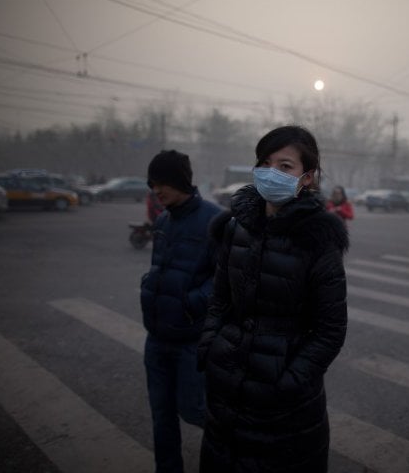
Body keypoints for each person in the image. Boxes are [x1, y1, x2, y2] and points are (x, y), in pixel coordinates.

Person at [197, 125, 348, 473]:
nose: (270, 173)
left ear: (306, 178)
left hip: (286, 411)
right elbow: (219, 299)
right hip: (226, 395)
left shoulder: (319, 240)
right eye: (265, 163)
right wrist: (210, 346)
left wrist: (288, 384)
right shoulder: (236, 227)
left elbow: (330, 331)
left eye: (284, 166)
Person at [139, 150, 222, 473]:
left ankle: (231, 457)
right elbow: (159, 267)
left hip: (191, 341)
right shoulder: (162, 220)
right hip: (156, 337)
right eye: (152, 184)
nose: (156, 191)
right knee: (161, 416)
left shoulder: (214, 219)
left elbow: (226, 277)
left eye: (162, 183)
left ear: (180, 181)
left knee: (194, 410)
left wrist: (193, 302)